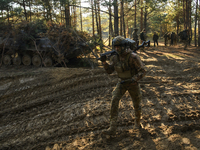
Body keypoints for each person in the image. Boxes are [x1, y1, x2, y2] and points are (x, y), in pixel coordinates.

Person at [100, 36, 146, 135]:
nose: (117, 49)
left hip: (133, 84)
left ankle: (137, 124)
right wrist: (104, 62)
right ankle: (112, 127)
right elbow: (109, 71)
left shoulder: (133, 57)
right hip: (122, 83)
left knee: (137, 104)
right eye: (115, 47)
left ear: (124, 46)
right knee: (114, 100)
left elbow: (143, 71)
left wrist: (134, 79)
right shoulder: (115, 57)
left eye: (119, 46)